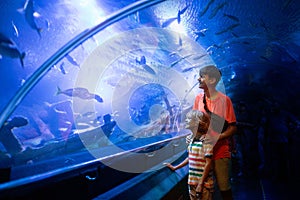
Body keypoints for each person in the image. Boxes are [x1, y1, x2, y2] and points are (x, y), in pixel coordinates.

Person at [191, 65, 237, 200]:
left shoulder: (225, 100)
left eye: (202, 77)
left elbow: (233, 128)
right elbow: (195, 123)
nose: (198, 79)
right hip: (202, 152)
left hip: (220, 151)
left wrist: (218, 137)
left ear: (211, 80)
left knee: (224, 189)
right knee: (204, 189)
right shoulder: (198, 99)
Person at [165, 110, 214, 200]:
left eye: (189, 119)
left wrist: (200, 184)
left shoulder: (206, 141)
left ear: (197, 122)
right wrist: (175, 167)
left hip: (204, 185)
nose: (186, 120)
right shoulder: (191, 141)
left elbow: (208, 164)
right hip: (192, 183)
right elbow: (190, 158)